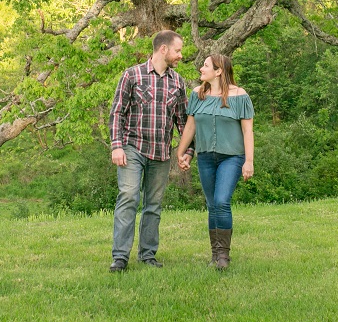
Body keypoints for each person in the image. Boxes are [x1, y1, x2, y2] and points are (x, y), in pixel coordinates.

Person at [108, 30, 188, 272]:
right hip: (132, 148)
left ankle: (148, 255)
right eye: (178, 50)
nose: (180, 55)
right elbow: (117, 112)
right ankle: (120, 257)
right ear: (163, 49)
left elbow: (183, 122)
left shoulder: (178, 82)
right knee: (129, 197)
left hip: (161, 152)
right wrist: (117, 146)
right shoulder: (132, 75)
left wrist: (187, 152)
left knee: (153, 205)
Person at [176, 53, 254, 270]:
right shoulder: (197, 94)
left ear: (219, 71)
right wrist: (180, 153)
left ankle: (224, 256)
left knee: (221, 201)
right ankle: (215, 255)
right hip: (206, 158)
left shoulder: (240, 96)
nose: (201, 68)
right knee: (212, 206)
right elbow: (190, 126)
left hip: (232, 157)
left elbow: (248, 131)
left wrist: (249, 161)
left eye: (206, 65)